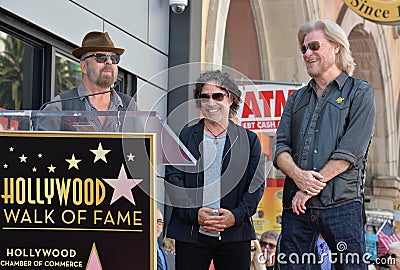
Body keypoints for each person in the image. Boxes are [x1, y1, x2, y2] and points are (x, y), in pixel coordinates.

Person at [273, 19, 376, 269]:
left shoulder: (360, 92)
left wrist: (307, 189)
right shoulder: (296, 98)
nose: (308, 53)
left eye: (314, 46)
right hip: (296, 209)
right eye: (304, 49)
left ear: (336, 47)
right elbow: (280, 149)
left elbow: (350, 152)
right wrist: (297, 176)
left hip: (342, 206)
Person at [165, 70, 265, 270]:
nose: (211, 102)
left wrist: (235, 216)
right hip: (190, 233)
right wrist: (194, 214)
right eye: (205, 96)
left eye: (218, 96)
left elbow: (255, 185)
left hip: (235, 235)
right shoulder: (185, 135)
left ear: (231, 99)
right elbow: (173, 179)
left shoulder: (249, 140)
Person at [37, 31, 136, 131]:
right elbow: (41, 145)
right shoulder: (59, 106)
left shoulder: (129, 107)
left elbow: (144, 145)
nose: (109, 62)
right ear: (84, 66)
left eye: (114, 58)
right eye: (101, 57)